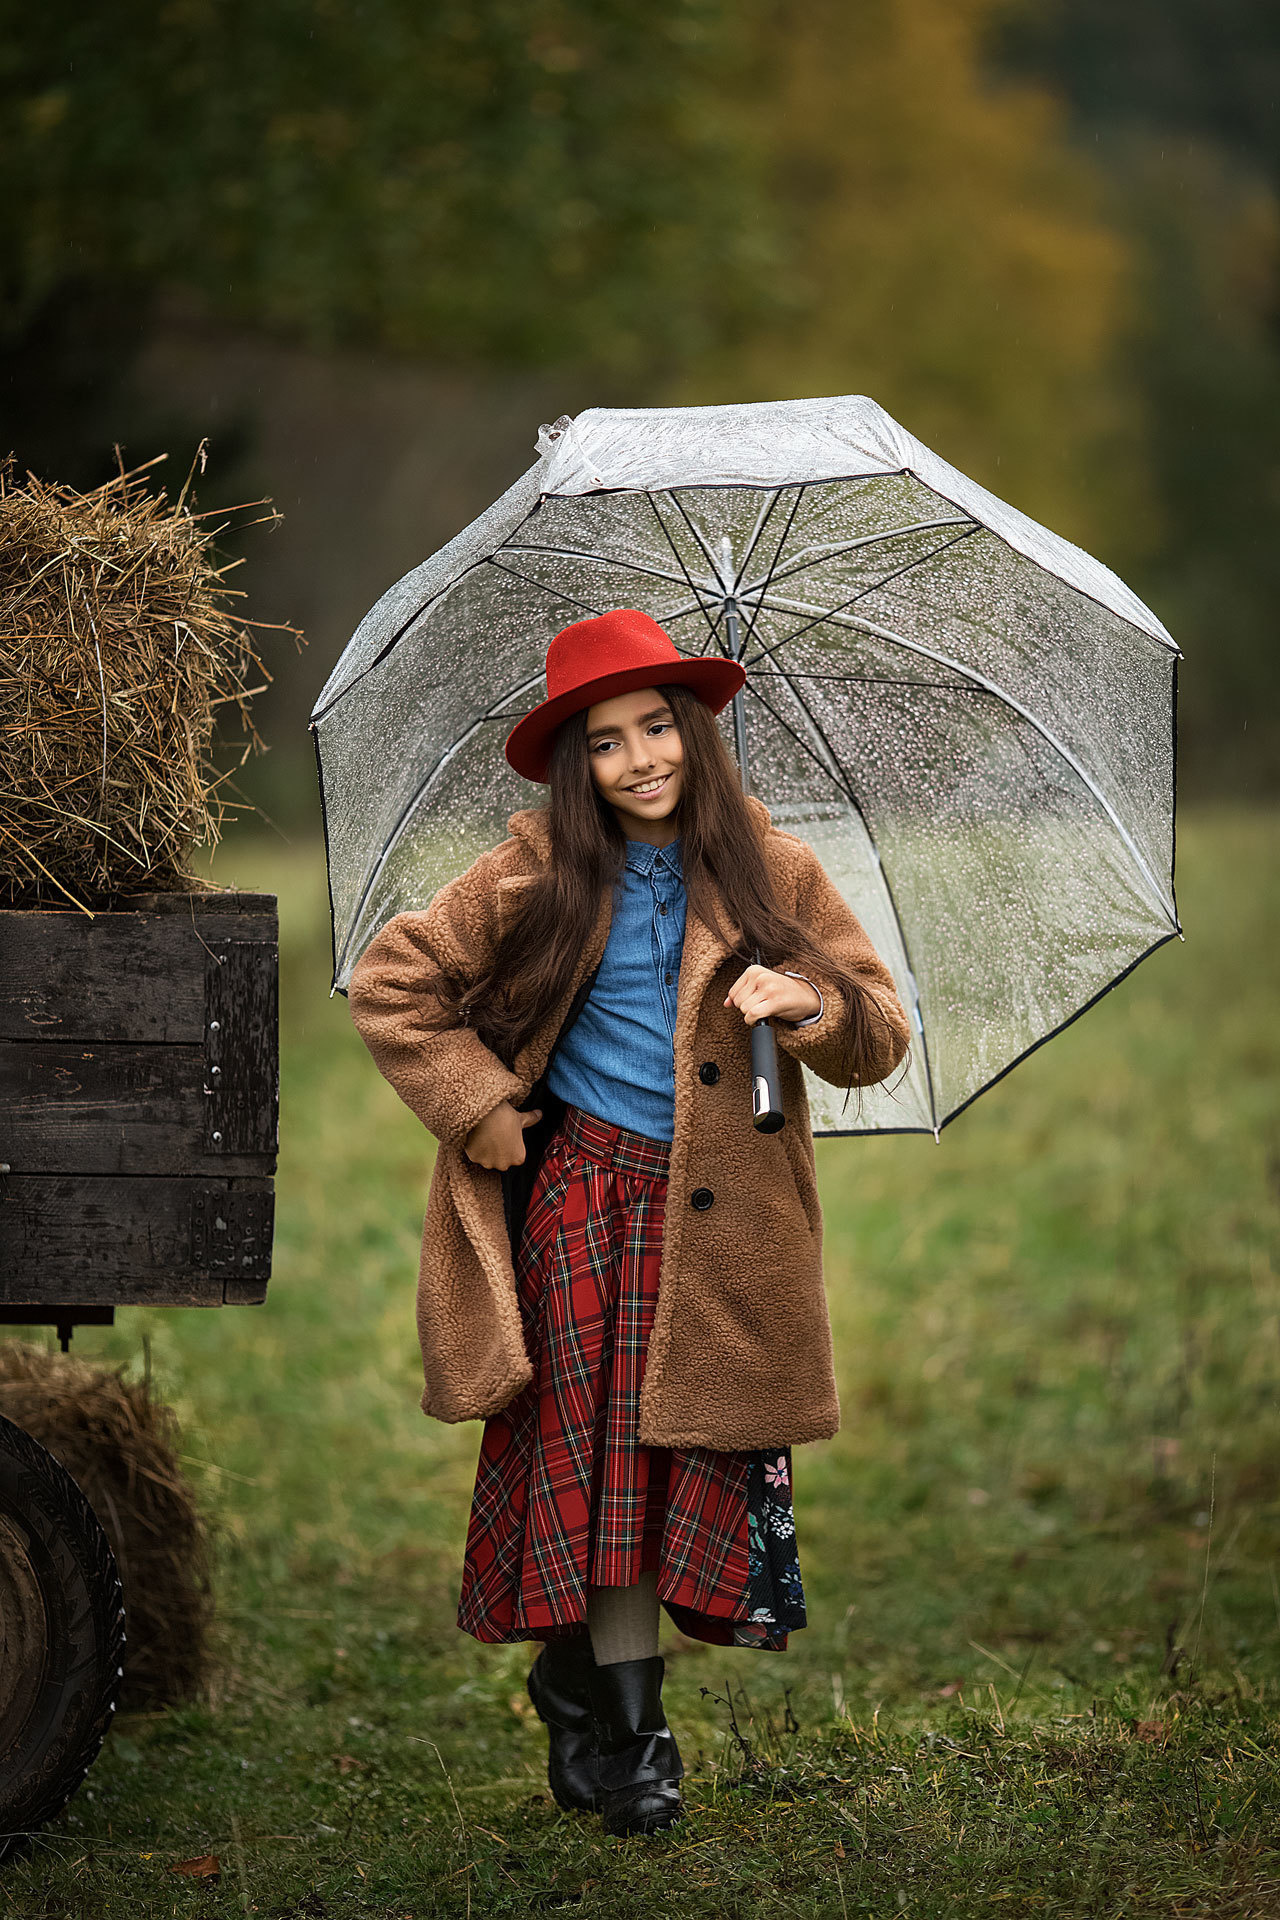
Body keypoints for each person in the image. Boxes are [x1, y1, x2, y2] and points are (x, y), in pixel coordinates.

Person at [348, 608, 910, 1837]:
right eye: (606, 743)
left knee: (668, 1478)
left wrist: (804, 996)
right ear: (576, 766)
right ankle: (634, 1736)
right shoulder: (532, 874)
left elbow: (877, 1032)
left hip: (722, 1233)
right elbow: (393, 985)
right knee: (601, 1479)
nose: (641, 758)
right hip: (584, 1208)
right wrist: (477, 1102)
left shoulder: (773, 871)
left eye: (659, 727)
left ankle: (578, 1677)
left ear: (698, 735)